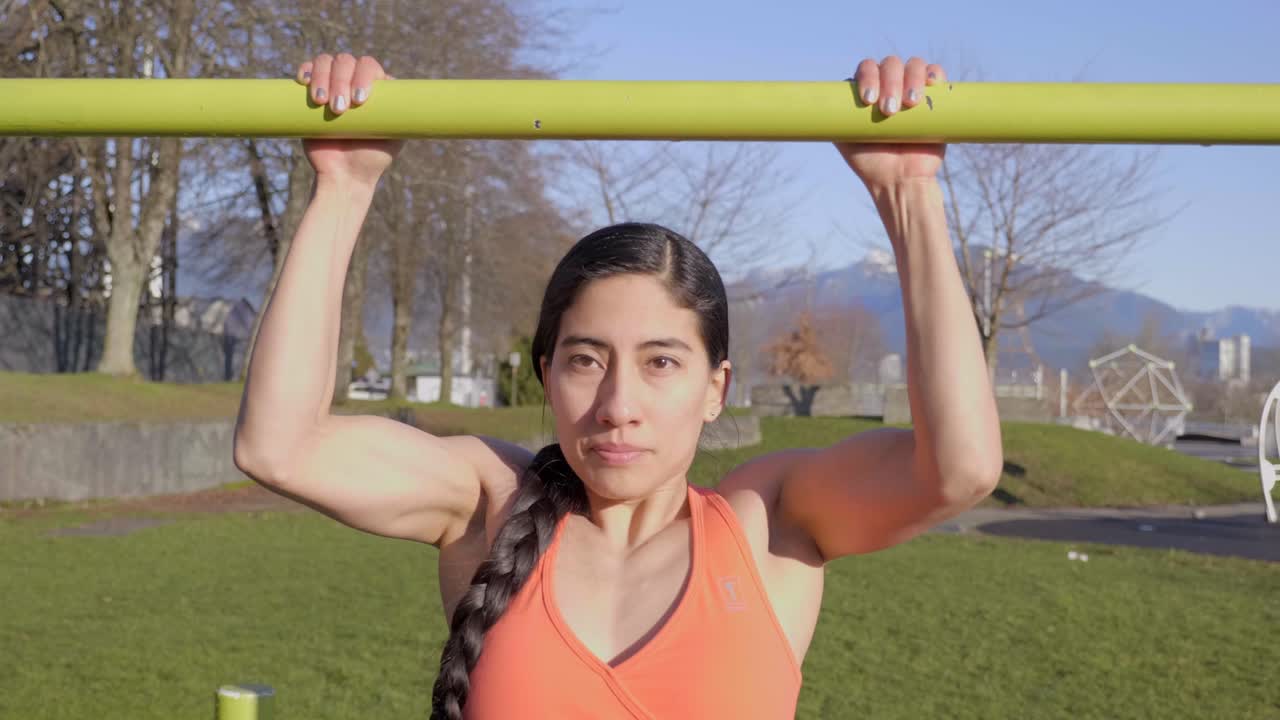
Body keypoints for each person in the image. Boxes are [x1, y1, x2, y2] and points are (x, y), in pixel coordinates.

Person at [232, 51, 1003, 720]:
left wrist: (909, 195)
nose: (617, 406)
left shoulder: (768, 525)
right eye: (585, 359)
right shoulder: (488, 505)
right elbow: (282, 446)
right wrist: (344, 184)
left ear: (716, 386)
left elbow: (958, 467)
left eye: (662, 361)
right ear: (547, 372)